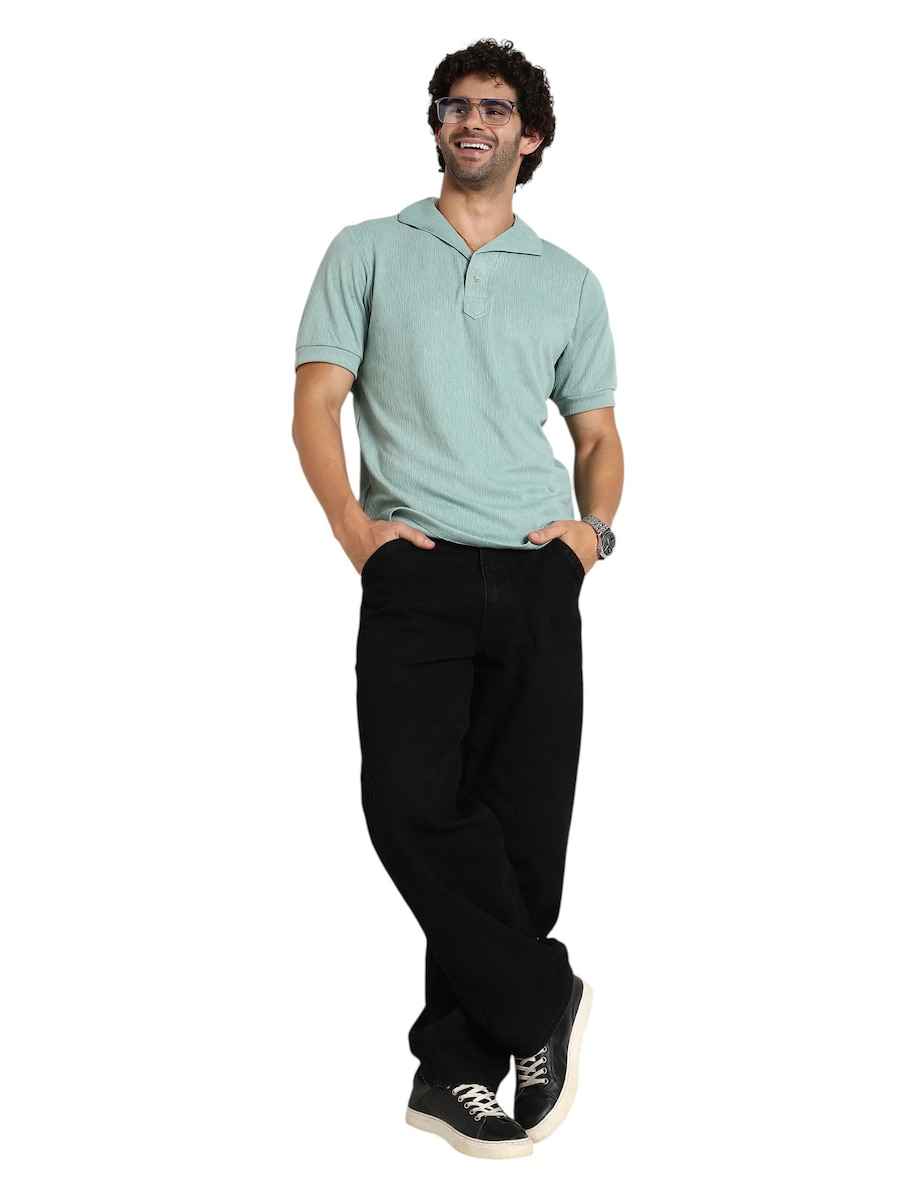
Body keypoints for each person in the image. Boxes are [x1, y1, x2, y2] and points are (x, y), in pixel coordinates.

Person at [292, 37, 623, 1160]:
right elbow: (316, 403)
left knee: (520, 835)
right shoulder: (368, 250)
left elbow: (598, 435)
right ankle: (541, 1001)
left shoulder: (568, 281)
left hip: (537, 571)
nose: (470, 120)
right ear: (436, 125)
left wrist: (589, 539)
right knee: (410, 807)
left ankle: (453, 1067)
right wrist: (357, 533)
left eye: (495, 107)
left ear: (532, 136)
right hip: (415, 568)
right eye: (453, 105)